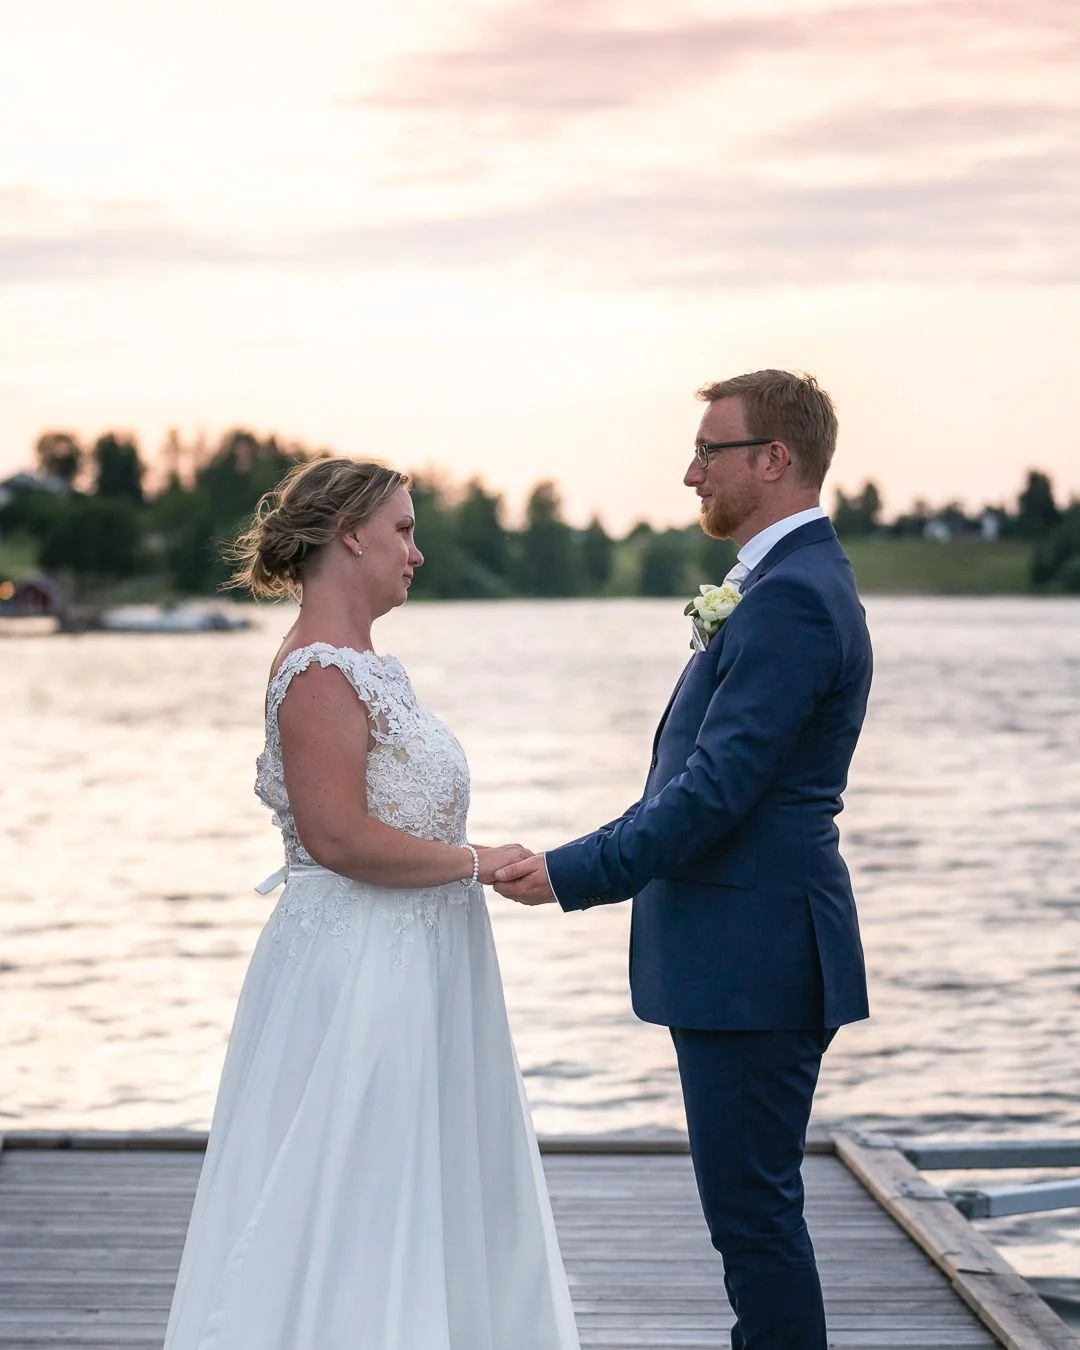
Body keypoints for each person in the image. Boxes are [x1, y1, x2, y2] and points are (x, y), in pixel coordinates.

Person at [163, 458, 580, 1350]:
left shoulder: (369, 667)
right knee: (359, 1187)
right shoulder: (317, 672)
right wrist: (474, 860)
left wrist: (468, 866)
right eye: (402, 530)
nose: (416, 553)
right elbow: (338, 838)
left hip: (422, 956)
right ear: (350, 534)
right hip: (358, 967)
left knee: (424, 1183)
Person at [495, 369, 872, 1350]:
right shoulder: (777, 584)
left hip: (756, 958)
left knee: (754, 1221)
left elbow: (711, 796)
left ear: (774, 460)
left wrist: (570, 870)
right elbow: (696, 787)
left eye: (711, 450)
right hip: (742, 956)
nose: (690, 471)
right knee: (749, 1219)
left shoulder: (792, 599)